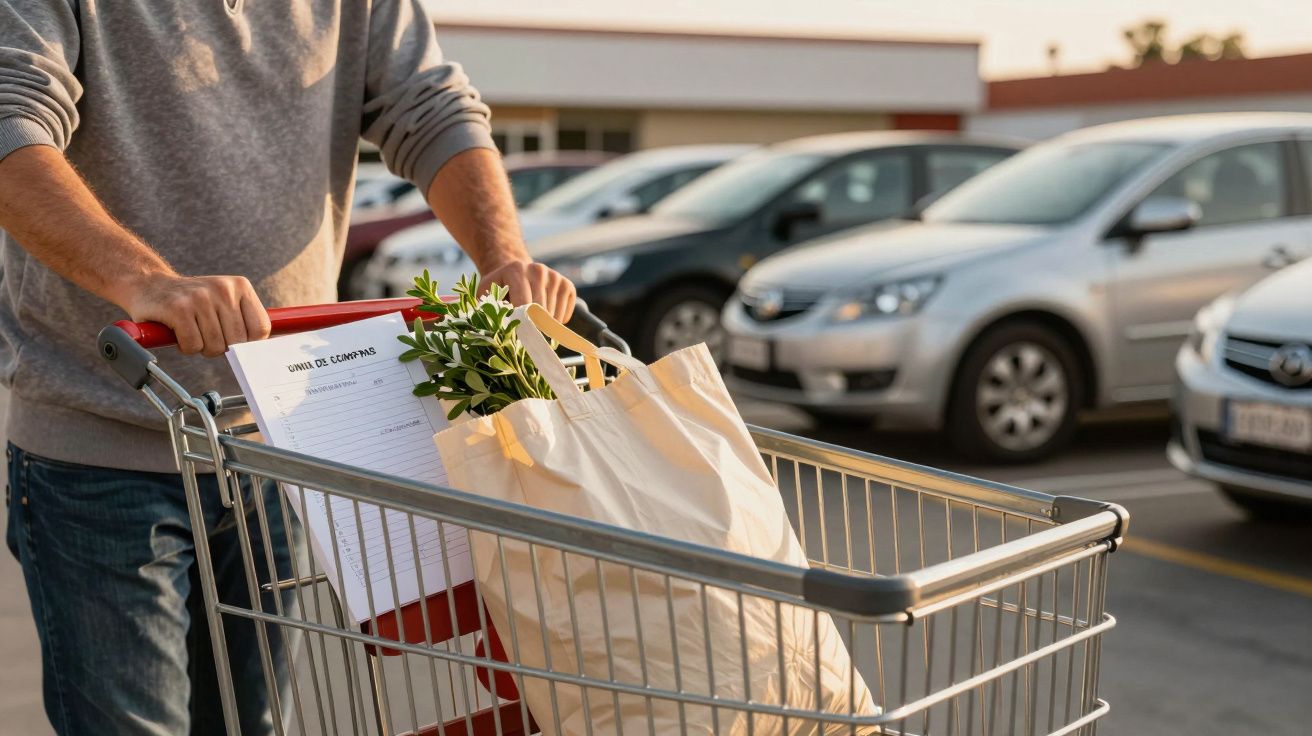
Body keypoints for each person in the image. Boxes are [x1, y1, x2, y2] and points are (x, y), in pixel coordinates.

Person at [0, 2, 575, 734]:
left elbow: (430, 110)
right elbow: (10, 118)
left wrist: (503, 261)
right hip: (100, 445)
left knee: (254, 722)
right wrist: (146, 282)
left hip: (275, 440)